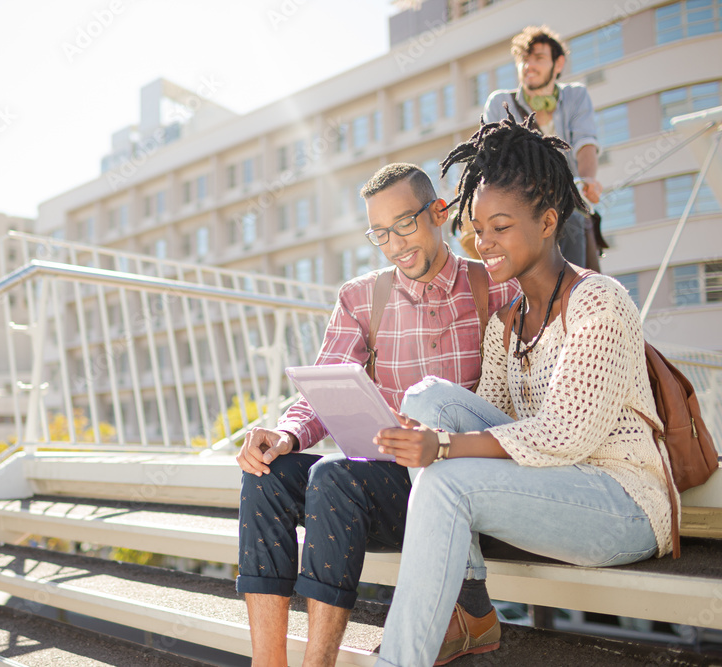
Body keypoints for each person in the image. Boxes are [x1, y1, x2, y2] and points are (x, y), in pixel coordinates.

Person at [372, 112, 674, 667]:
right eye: (480, 230)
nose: (484, 244)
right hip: (553, 484)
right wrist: (433, 434)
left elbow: (565, 434)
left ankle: (421, 644)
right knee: (426, 399)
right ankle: (467, 602)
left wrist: (440, 449)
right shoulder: (504, 322)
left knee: (447, 481)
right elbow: (493, 418)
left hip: (623, 502)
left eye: (502, 227)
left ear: (549, 220)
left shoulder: (597, 301)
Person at [235, 163, 520, 666]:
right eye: (380, 233)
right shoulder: (361, 297)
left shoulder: (494, 287)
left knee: (332, 476)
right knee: (268, 474)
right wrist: (284, 435)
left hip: (462, 485)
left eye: (404, 225)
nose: (394, 245)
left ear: (438, 212)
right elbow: (322, 394)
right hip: (387, 487)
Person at [483, 25, 603, 268]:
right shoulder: (500, 102)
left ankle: (575, 297)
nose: (529, 66)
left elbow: (585, 141)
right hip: (517, 200)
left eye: (538, 58)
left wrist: (588, 178)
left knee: (574, 226)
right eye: (524, 60)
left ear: (558, 64)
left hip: (565, 198)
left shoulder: (575, 96)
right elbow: (487, 154)